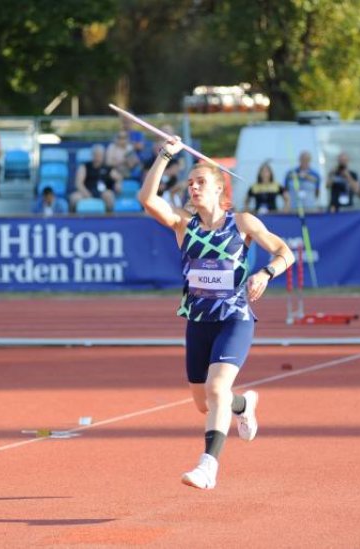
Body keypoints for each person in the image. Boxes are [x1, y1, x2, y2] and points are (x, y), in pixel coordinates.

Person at [138, 135, 295, 490]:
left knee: (216, 387)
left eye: (201, 182)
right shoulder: (183, 224)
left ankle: (208, 465)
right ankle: (244, 404)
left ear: (219, 188)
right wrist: (165, 154)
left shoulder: (242, 223)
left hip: (234, 318)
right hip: (198, 322)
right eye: (190, 183)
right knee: (204, 402)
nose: (193, 187)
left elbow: (286, 252)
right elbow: (147, 199)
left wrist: (266, 273)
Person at [70, 144, 121, 212]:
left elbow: (118, 177)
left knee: (109, 195)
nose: (98, 157)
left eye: (100, 155)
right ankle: (73, 220)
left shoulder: (108, 168)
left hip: (102, 193)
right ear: (92, 155)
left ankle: (109, 219)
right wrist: (86, 193)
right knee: (74, 198)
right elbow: (78, 183)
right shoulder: (85, 167)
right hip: (87, 191)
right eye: (96, 155)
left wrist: (118, 183)